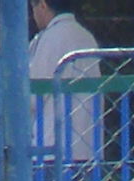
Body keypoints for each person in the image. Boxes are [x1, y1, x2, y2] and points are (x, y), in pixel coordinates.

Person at [28, 0, 101, 167]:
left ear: (43, 5)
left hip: (51, 146)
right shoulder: (86, 36)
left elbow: (34, 93)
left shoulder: (49, 38)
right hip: (88, 146)